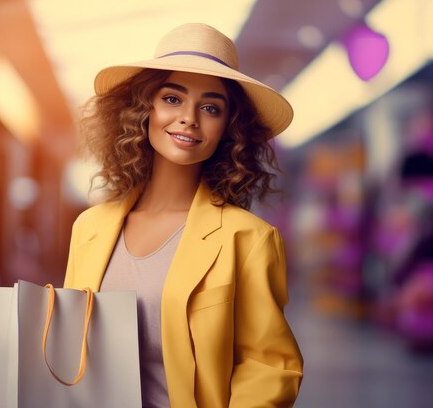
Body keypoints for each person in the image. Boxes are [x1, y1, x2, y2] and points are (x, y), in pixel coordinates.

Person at [63, 23, 303, 408]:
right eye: (172, 99)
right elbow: (67, 348)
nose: (189, 118)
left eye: (210, 107)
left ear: (229, 128)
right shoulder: (89, 229)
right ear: (143, 110)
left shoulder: (248, 239)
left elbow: (269, 366)